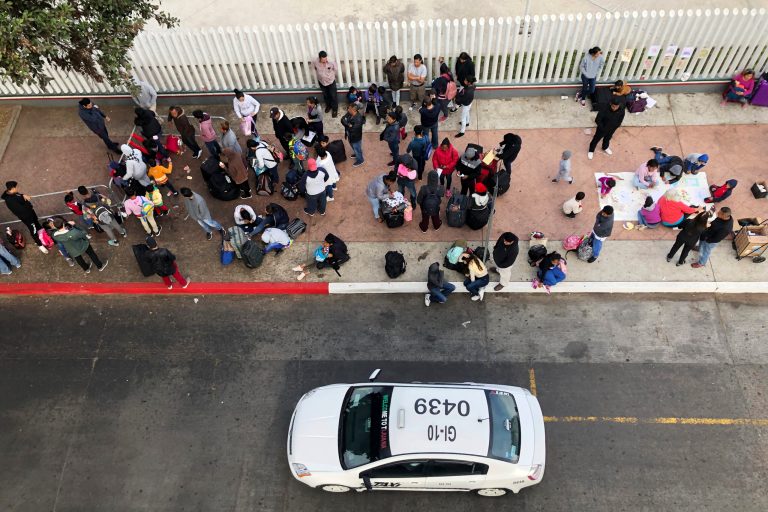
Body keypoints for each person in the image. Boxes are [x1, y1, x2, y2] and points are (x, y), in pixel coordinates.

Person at [2, 181, 47, 253]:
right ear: (12, 188)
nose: (17, 188)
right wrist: (27, 203)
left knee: (37, 223)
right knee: (33, 230)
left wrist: (23, 195)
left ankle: (43, 234)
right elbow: (22, 210)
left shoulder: (12, 193)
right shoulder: (10, 200)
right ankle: (39, 244)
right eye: (16, 187)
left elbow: (18, 196)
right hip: (27, 217)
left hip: (30, 213)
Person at [313, 51, 339, 117]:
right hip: (322, 82)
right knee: (326, 95)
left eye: (325, 59)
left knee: (333, 96)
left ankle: (335, 109)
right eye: (323, 60)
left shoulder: (331, 61)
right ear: (319, 58)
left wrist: (330, 76)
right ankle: (328, 106)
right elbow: (315, 68)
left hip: (330, 81)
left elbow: (336, 69)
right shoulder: (315, 61)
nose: (325, 61)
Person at [340, 103, 365, 167]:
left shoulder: (358, 119)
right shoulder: (349, 113)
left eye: (349, 108)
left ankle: (360, 160)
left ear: (353, 110)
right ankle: (357, 154)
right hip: (350, 135)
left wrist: (347, 124)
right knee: (354, 147)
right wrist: (348, 124)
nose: (348, 109)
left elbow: (352, 130)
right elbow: (342, 119)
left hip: (355, 137)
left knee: (357, 148)